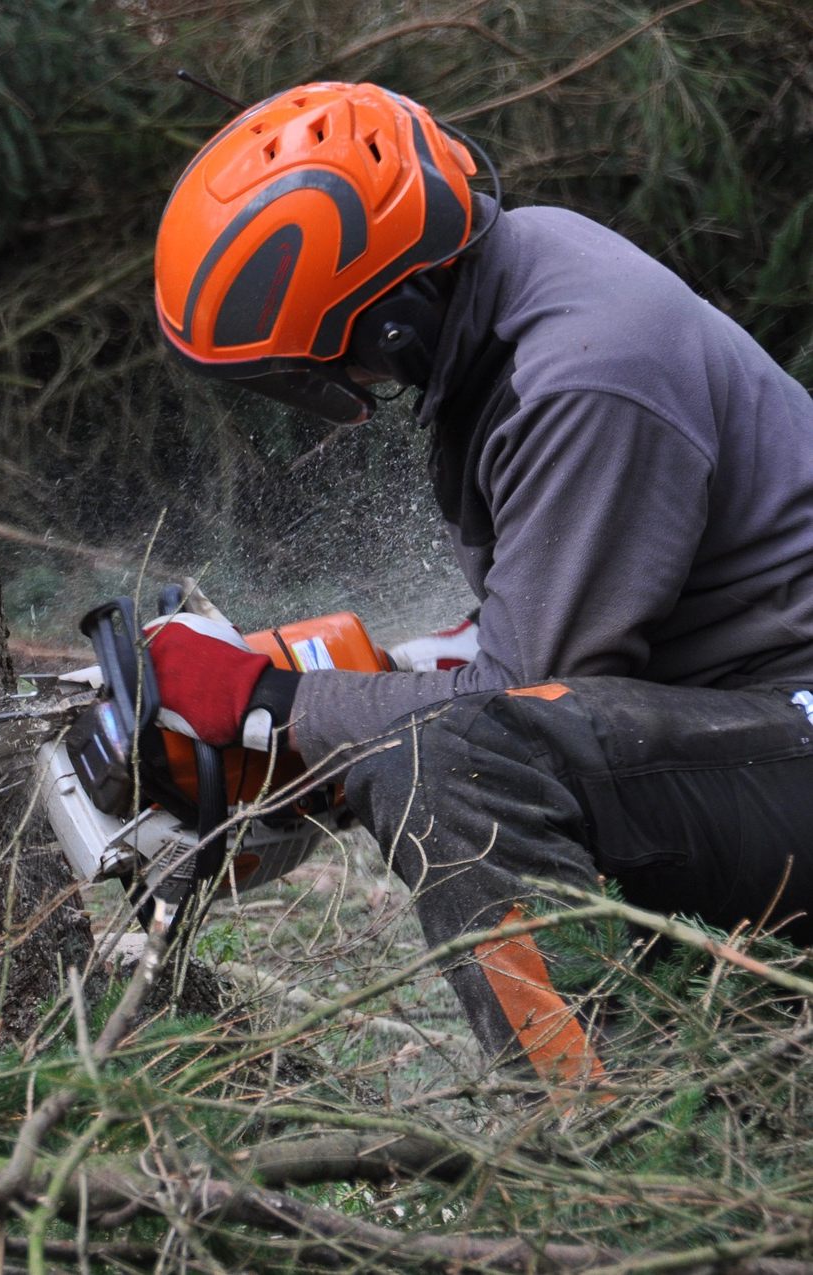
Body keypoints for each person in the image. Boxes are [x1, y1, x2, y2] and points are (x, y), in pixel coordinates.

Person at [143, 80, 813, 1088]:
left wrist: (272, 704)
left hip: (787, 729)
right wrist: (340, 688)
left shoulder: (583, 375)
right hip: (750, 720)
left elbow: (518, 701)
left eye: (322, 364)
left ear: (390, 323)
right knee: (435, 732)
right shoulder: (518, 281)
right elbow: (549, 630)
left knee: (446, 764)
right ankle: (708, 1073)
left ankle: (592, 1149)